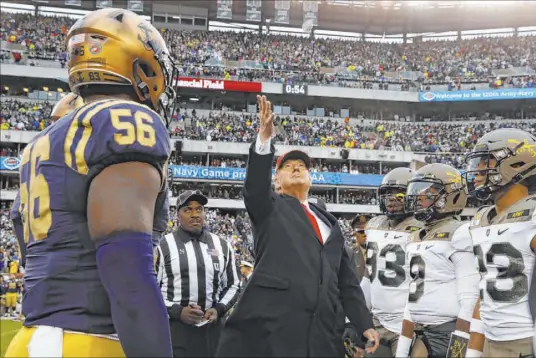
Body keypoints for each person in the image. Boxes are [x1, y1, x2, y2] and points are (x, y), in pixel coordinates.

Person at [5, 8, 179, 358]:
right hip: (88, 340)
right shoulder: (126, 119)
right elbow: (126, 266)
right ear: (138, 62)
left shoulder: (42, 142)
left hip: (34, 338)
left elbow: (23, 236)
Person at [216, 95, 379, 357]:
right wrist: (264, 139)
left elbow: (347, 282)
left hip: (323, 334)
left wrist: (364, 324)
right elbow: (255, 188)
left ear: (311, 179)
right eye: (288, 166)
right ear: (276, 182)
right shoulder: (269, 207)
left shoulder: (331, 224)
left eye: (301, 166)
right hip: (276, 329)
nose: (296, 168)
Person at [395, 163, 480, 358]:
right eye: (417, 191)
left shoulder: (460, 232)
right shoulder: (416, 236)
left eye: (428, 192)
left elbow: (469, 298)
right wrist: (402, 348)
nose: (419, 198)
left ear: (450, 196)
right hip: (421, 330)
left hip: (448, 329)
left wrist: (460, 346)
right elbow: (413, 295)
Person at [464, 128, 536, 358]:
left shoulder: (532, 214)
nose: (477, 171)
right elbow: (485, 290)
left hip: (525, 341)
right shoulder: (482, 219)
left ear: (516, 163)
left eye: (486, 162)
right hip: (490, 341)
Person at [156, 190, 240, 358]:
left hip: (212, 332)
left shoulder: (222, 245)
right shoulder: (163, 246)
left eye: (199, 209)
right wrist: (177, 311)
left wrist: (219, 309)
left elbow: (234, 284)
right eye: (188, 209)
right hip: (174, 331)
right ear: (177, 214)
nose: (195, 214)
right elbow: (150, 290)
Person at [10, 92, 85, 268]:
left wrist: (27, 261)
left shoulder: (32, 148)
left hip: (36, 263)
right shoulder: (74, 146)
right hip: (71, 260)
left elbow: (15, 214)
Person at [359, 168, 424, 358]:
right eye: (388, 195)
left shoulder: (421, 228)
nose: (392, 201)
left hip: (410, 324)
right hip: (378, 321)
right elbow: (369, 275)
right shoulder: (374, 226)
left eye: (399, 196)